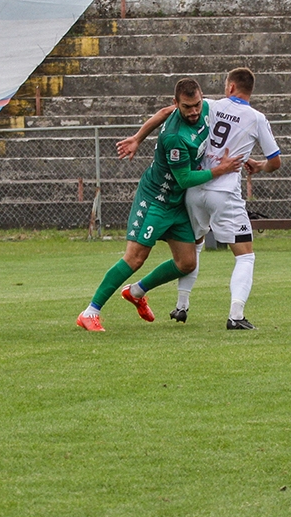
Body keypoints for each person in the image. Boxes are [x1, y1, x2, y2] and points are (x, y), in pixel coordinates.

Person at [117, 68, 281, 329]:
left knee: (195, 246)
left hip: (195, 190)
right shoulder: (256, 117)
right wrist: (259, 166)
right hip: (224, 192)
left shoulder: (211, 106)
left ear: (229, 88)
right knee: (245, 256)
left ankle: (180, 306)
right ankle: (236, 316)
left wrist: (138, 137)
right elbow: (275, 162)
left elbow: (164, 113)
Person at [76, 78, 243, 332]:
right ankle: (90, 312)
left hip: (176, 203)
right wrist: (220, 170)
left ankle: (136, 292)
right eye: (187, 107)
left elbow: (162, 113)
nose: (194, 111)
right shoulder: (175, 137)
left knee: (187, 262)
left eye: (197, 104)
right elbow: (185, 178)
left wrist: (137, 138)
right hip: (155, 199)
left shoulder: (206, 108)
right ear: (178, 104)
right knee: (135, 258)